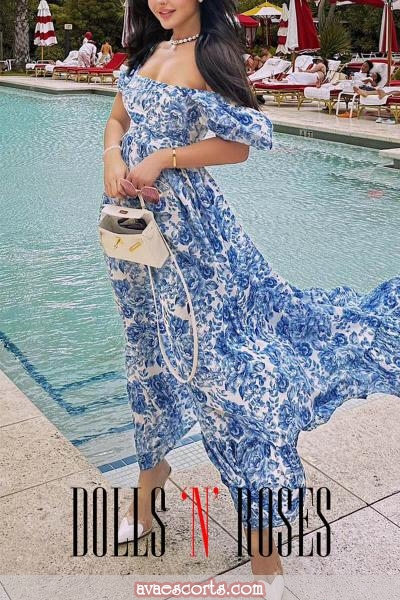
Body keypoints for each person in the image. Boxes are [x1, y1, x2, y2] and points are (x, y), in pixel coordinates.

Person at [101, 0, 400, 597]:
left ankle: (265, 557)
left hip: (196, 240)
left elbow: (240, 144)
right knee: (148, 356)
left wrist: (164, 157)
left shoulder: (210, 56)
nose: (162, 1)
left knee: (228, 383)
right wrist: (113, 157)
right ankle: (149, 480)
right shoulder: (145, 51)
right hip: (133, 232)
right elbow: (116, 119)